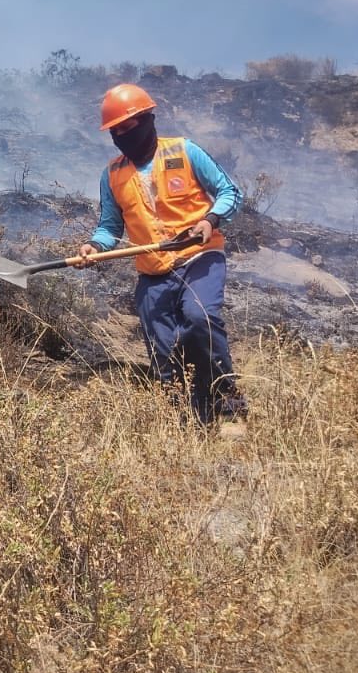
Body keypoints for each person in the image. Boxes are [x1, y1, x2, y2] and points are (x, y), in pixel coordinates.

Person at [78, 83, 248, 425]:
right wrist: (95, 246)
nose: (124, 135)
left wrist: (210, 220)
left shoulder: (185, 152)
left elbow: (230, 192)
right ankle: (184, 424)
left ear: (148, 119)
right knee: (165, 353)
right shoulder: (112, 176)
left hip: (200, 258)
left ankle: (228, 402)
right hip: (154, 273)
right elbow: (110, 227)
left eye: (130, 126)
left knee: (199, 321)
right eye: (116, 131)